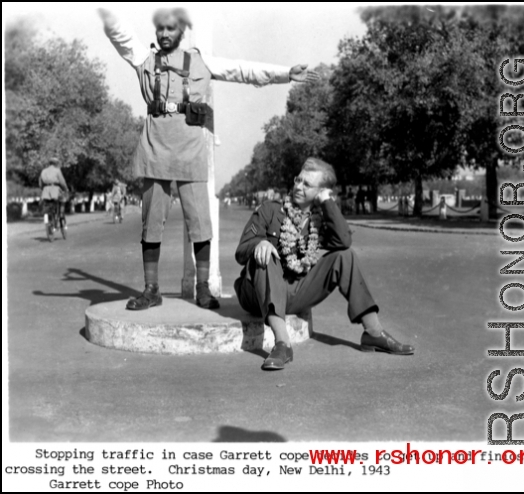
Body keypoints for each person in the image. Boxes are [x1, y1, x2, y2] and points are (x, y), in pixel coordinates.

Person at [99, 7, 319, 311]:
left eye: (171, 29)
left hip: (190, 152)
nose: (164, 34)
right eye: (160, 29)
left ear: (182, 32)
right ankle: (151, 290)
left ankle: (203, 288)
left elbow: (242, 70)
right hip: (154, 150)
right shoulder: (144, 58)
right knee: (151, 223)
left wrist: (285, 74)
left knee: (200, 223)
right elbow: (119, 34)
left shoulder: (202, 61)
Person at [234, 157, 414, 371]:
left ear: (319, 191)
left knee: (345, 256)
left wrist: (328, 202)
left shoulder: (317, 221)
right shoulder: (270, 210)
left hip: (293, 292)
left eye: (307, 184)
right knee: (266, 255)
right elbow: (241, 251)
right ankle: (283, 344)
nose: (298, 186)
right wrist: (259, 243)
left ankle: (373, 333)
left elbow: (343, 241)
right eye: (298, 180)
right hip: (255, 292)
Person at [39, 157, 69, 229]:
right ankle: (61, 215)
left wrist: (43, 189)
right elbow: (62, 182)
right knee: (62, 200)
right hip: (55, 190)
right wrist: (66, 189)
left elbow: (40, 183)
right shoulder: (57, 171)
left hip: (45, 191)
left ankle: (50, 219)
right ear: (56, 164)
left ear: (49, 163)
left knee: (47, 204)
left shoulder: (43, 171)